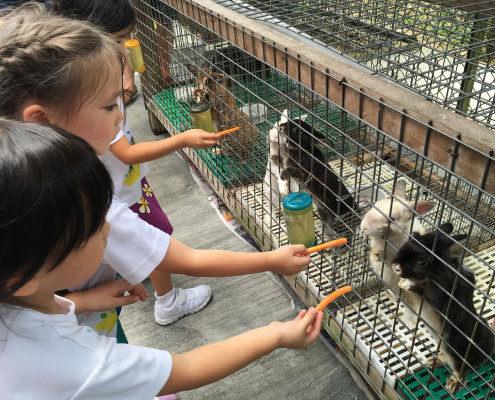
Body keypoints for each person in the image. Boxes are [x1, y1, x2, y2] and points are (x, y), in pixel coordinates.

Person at [0, 8, 312, 334]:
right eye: (109, 106)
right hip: (83, 337)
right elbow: (188, 260)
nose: (120, 116)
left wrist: (80, 301)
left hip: (83, 316)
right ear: (42, 120)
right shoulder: (92, 210)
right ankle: (168, 302)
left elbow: (30, 303)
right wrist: (271, 261)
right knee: (155, 244)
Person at [0, 118, 323, 399]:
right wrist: (276, 334)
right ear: (24, 276)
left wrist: (82, 301)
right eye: (94, 225)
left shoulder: (16, 299)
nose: (107, 227)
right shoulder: (81, 361)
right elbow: (187, 367)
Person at [51, 0, 226, 330]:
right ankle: (168, 301)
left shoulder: (80, 83)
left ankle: (135, 267)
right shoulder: (93, 99)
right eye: (119, 40)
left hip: (121, 184)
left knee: (137, 241)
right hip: (121, 191)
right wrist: (182, 140)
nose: (126, 46)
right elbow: (127, 153)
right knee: (155, 238)